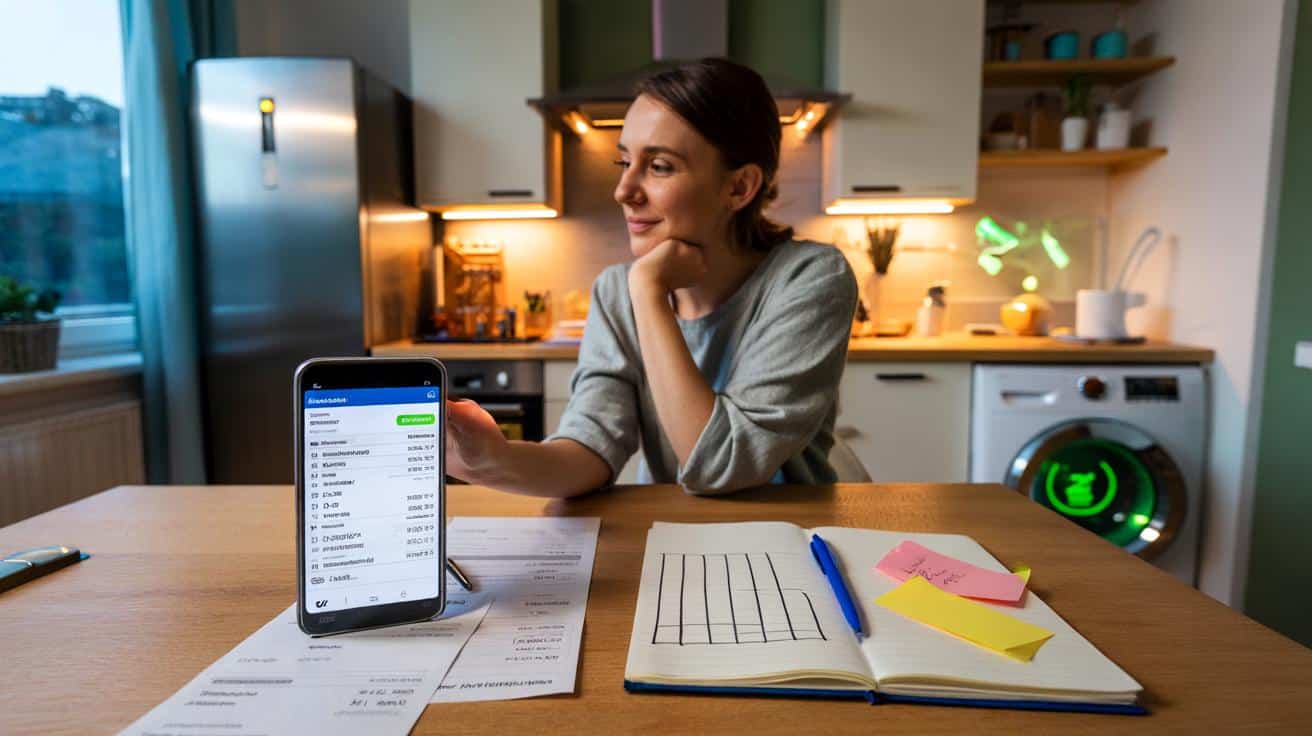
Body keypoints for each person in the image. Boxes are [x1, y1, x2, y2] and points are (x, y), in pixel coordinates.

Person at [445, 58, 857, 497]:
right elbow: (589, 449)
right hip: (674, 537)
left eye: (659, 166)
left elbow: (721, 467)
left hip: (795, 535)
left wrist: (648, 292)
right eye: (624, 161)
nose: (623, 191)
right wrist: (493, 461)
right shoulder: (616, 292)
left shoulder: (810, 279)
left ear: (739, 187)